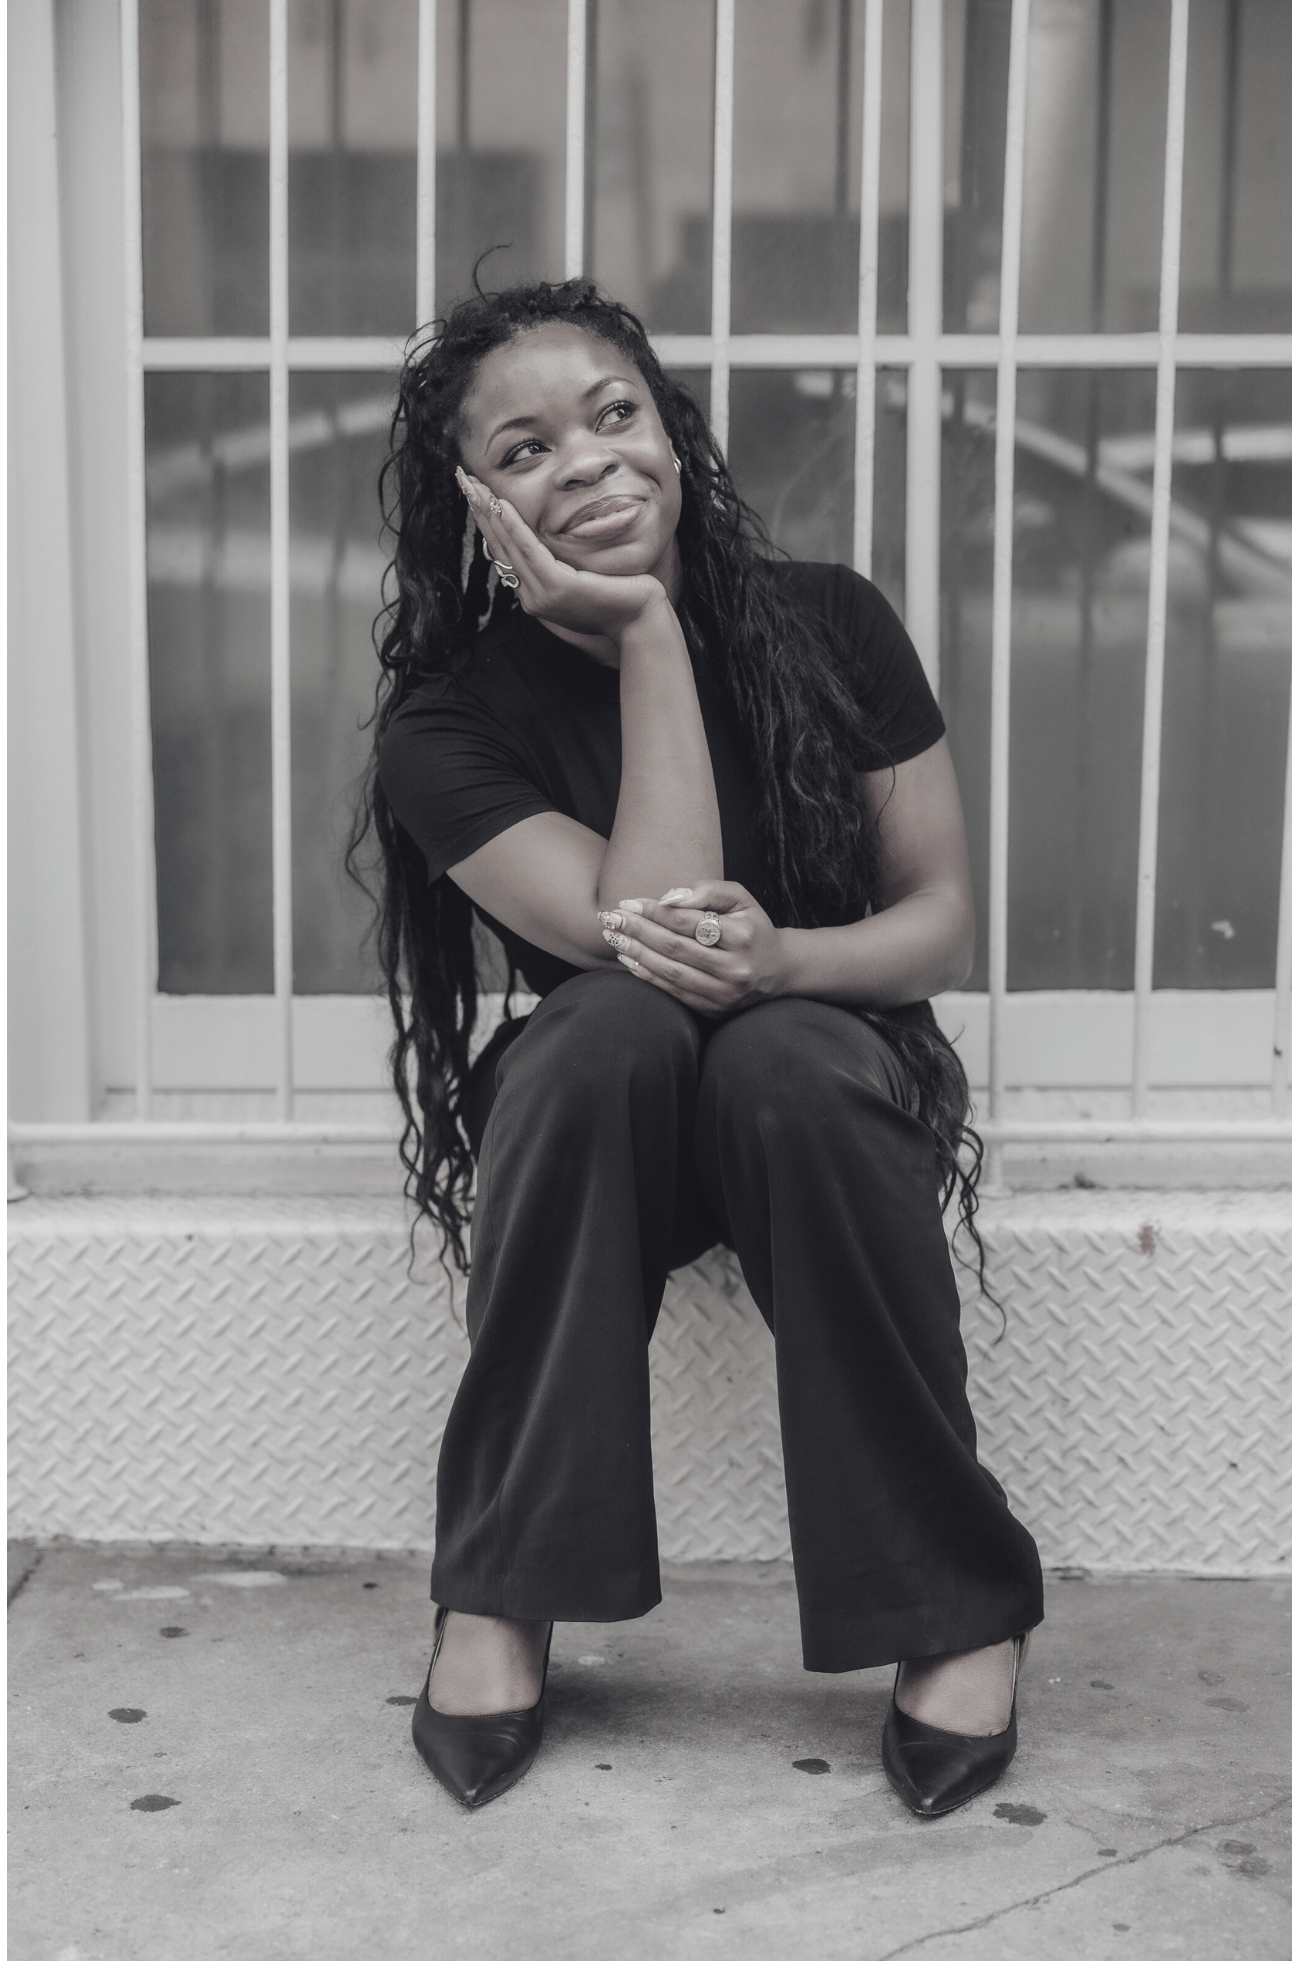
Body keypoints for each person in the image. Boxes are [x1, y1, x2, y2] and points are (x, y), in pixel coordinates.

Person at [356, 277, 1043, 1819]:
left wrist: (793, 958)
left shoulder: (834, 623)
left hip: (822, 1099)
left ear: (672, 432)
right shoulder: (443, 722)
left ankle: (951, 1599)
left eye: (616, 415)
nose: (589, 462)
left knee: (783, 1052)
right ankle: (502, 1587)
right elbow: (645, 933)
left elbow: (937, 921)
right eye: (525, 448)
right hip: (617, 1129)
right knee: (602, 1029)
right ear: (475, 501)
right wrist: (651, 630)